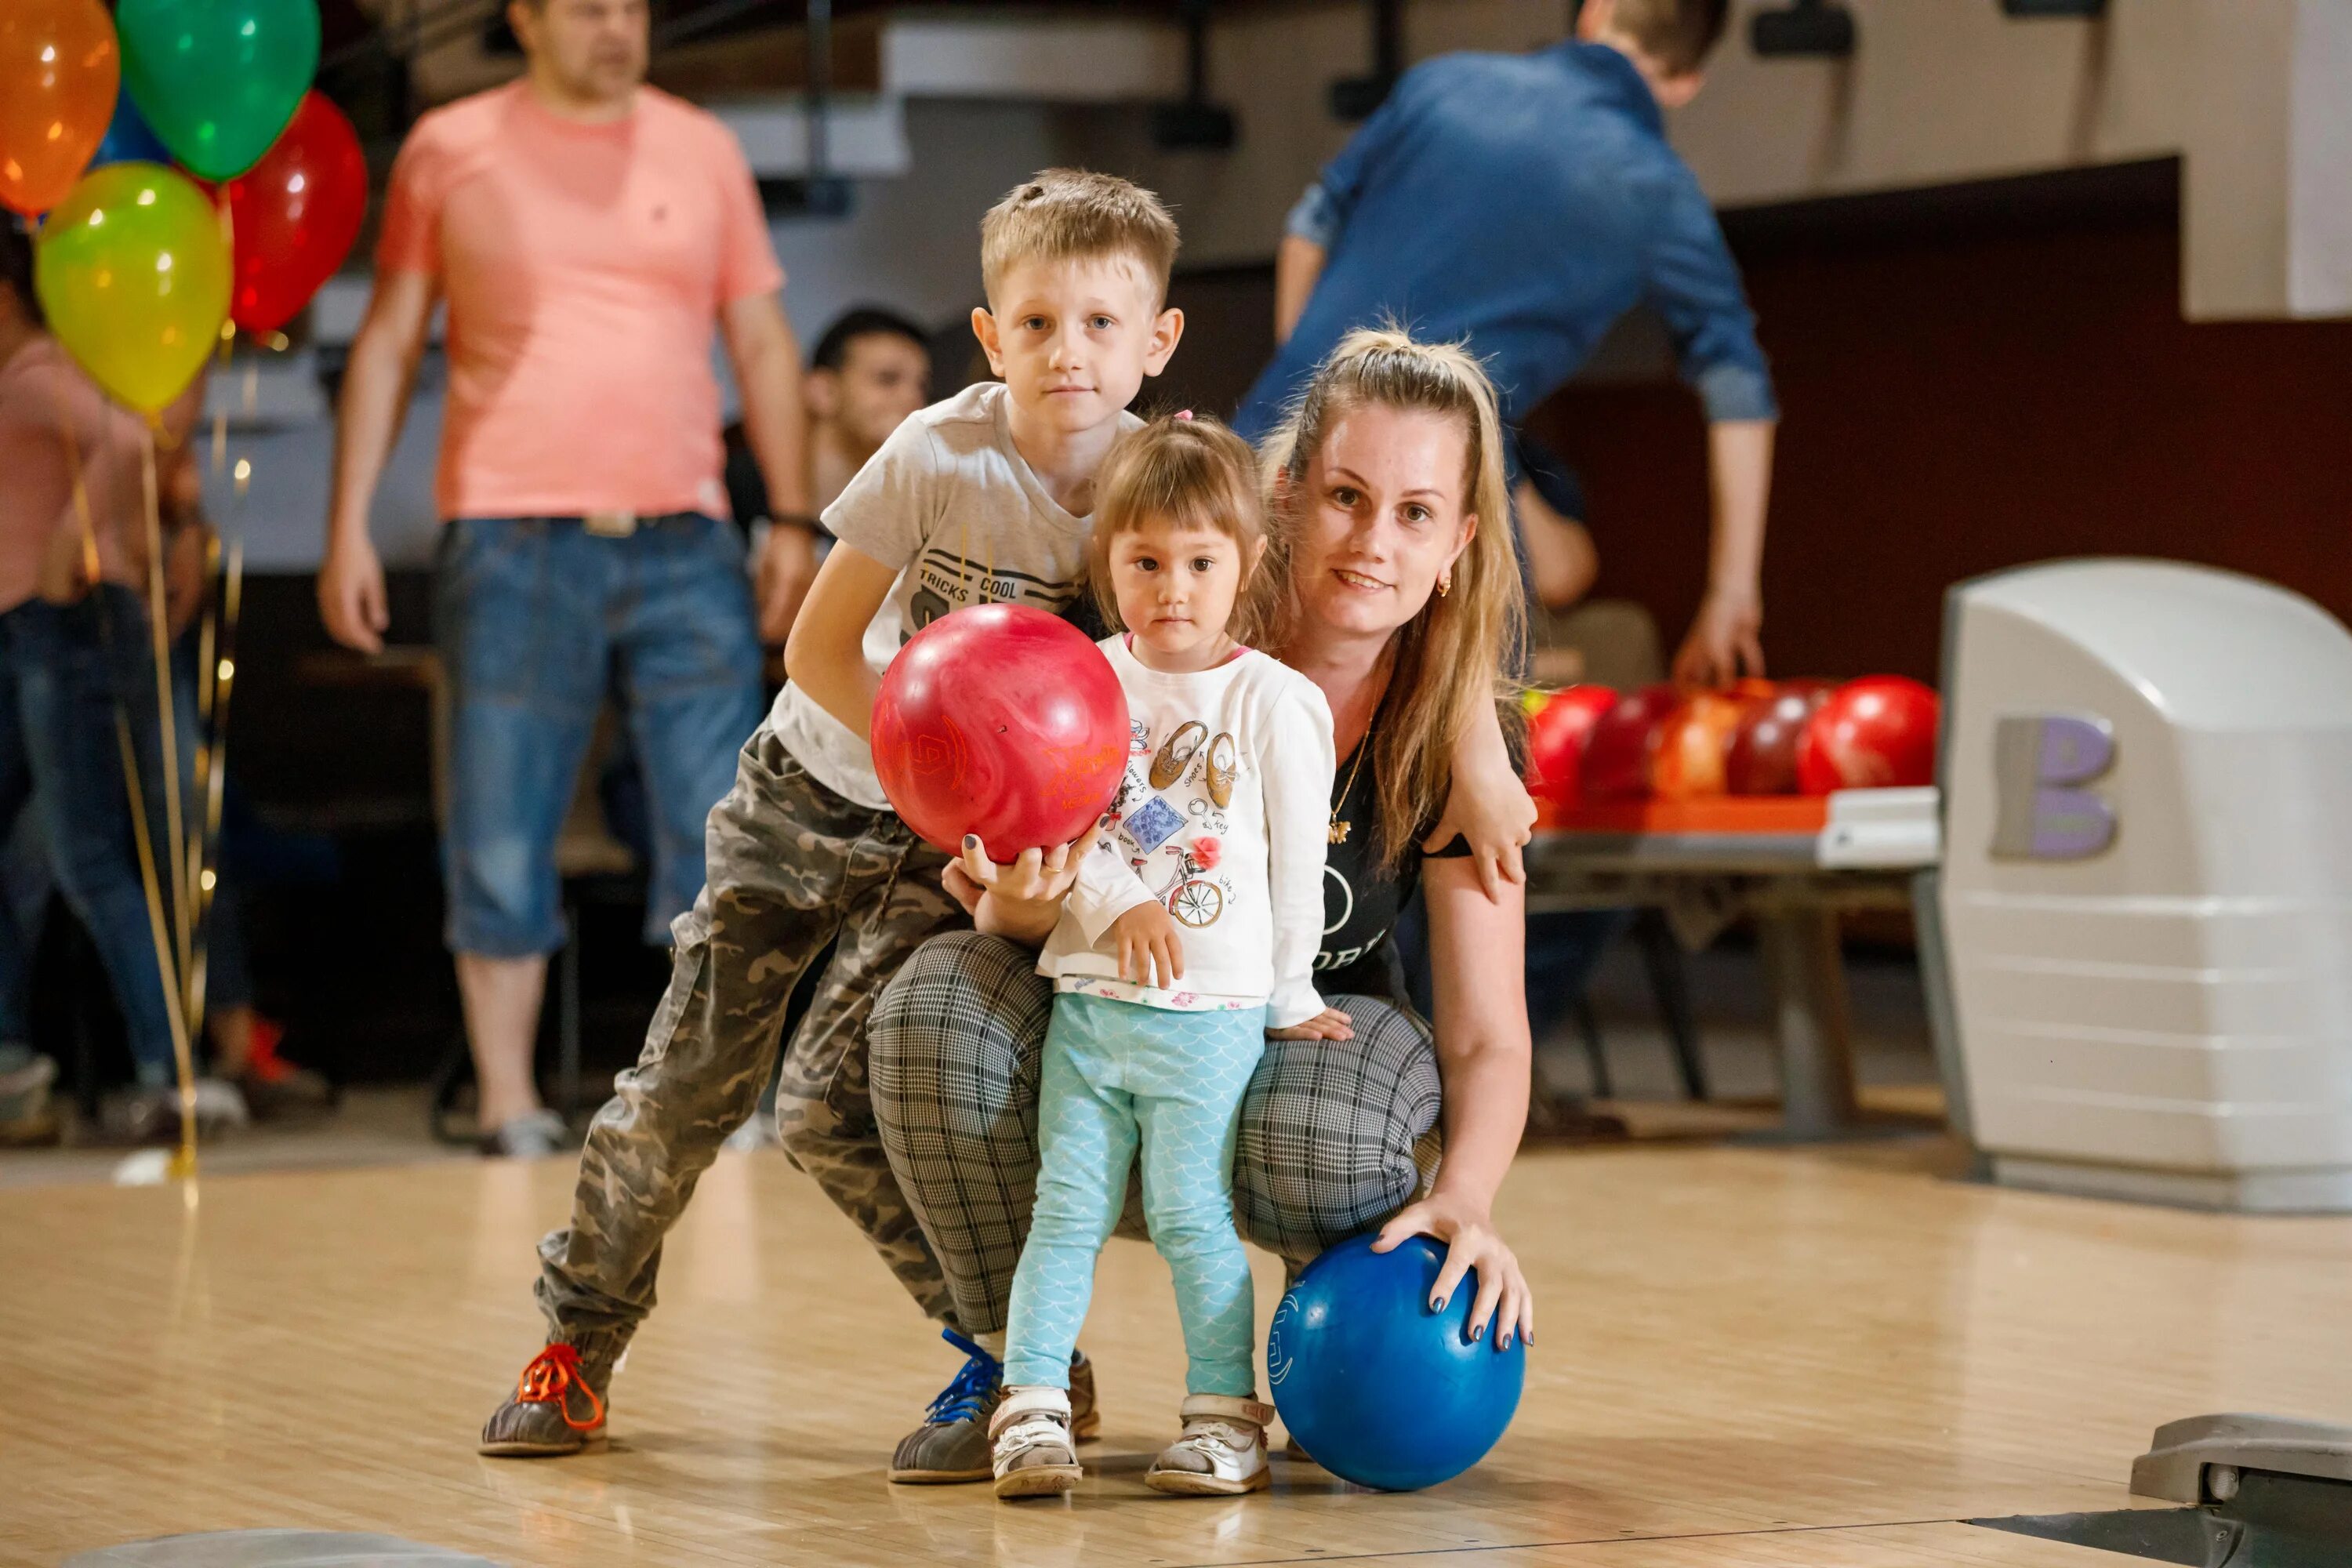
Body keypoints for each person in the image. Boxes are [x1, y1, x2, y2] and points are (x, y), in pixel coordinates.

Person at [474, 168, 1187, 1456]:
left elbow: (1170, 700)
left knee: (825, 1110)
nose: (1066, 354)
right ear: (987, 336)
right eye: (1034, 324)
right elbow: (818, 650)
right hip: (810, 793)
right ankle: (575, 1344)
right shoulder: (936, 452)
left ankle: (1012, 1362)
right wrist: (946, 771)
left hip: (948, 841)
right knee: (687, 1085)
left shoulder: (1160, 493)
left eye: (1099, 325)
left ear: (1159, 340)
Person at [869, 327, 1539, 1484]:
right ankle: (1021, 1372)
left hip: (1300, 1024)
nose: (1375, 542)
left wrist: (1467, 1200)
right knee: (929, 1010)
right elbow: (1027, 897)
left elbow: (1486, 1031)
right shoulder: (1143, 646)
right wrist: (1026, 906)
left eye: (1417, 514)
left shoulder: (1460, 734)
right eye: (1344, 495)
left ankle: (1257, 1385)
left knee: (1329, 1133)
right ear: (1279, 498)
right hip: (1107, 1006)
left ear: (1458, 545)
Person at [317, 0, 814, 1157]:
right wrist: (345, 521)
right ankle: (508, 1101)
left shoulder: (702, 146)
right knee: (499, 815)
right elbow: (390, 337)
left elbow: (764, 343)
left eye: (635, 6)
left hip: (685, 531)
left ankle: (715, 1097)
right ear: (525, 17)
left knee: (719, 828)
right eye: (587, 5)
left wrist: (788, 515)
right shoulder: (452, 145)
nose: (617, 25)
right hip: (508, 528)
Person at [988, 415, 1340, 1500]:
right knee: (1064, 1210)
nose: (1172, 588)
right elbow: (1056, 819)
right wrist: (1117, 898)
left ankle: (1225, 1413)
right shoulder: (1081, 678)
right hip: (1091, 1007)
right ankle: (1033, 1405)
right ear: (1109, 563)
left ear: (1245, 563)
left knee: (1193, 1214)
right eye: (1145, 562)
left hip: (1210, 1016)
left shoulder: (1277, 700)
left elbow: (1292, 867)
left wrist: (1289, 994)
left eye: (1199, 562)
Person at [1233, 0, 1777, 690]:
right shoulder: (1659, 194)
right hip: (1415, 531)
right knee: (1445, 743)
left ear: (1596, 13)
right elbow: (1738, 387)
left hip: (1250, 475)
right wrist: (1732, 593)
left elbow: (1310, 222)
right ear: (1686, 81)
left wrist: (1324, 402)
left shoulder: (1440, 84)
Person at [0, 220, 246, 1141]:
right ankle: (16, 1062)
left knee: (91, 854)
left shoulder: (35, 372)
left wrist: (70, 539)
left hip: (69, 626)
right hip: (30, 633)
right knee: (46, 856)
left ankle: (171, 1068)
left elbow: (131, 442)